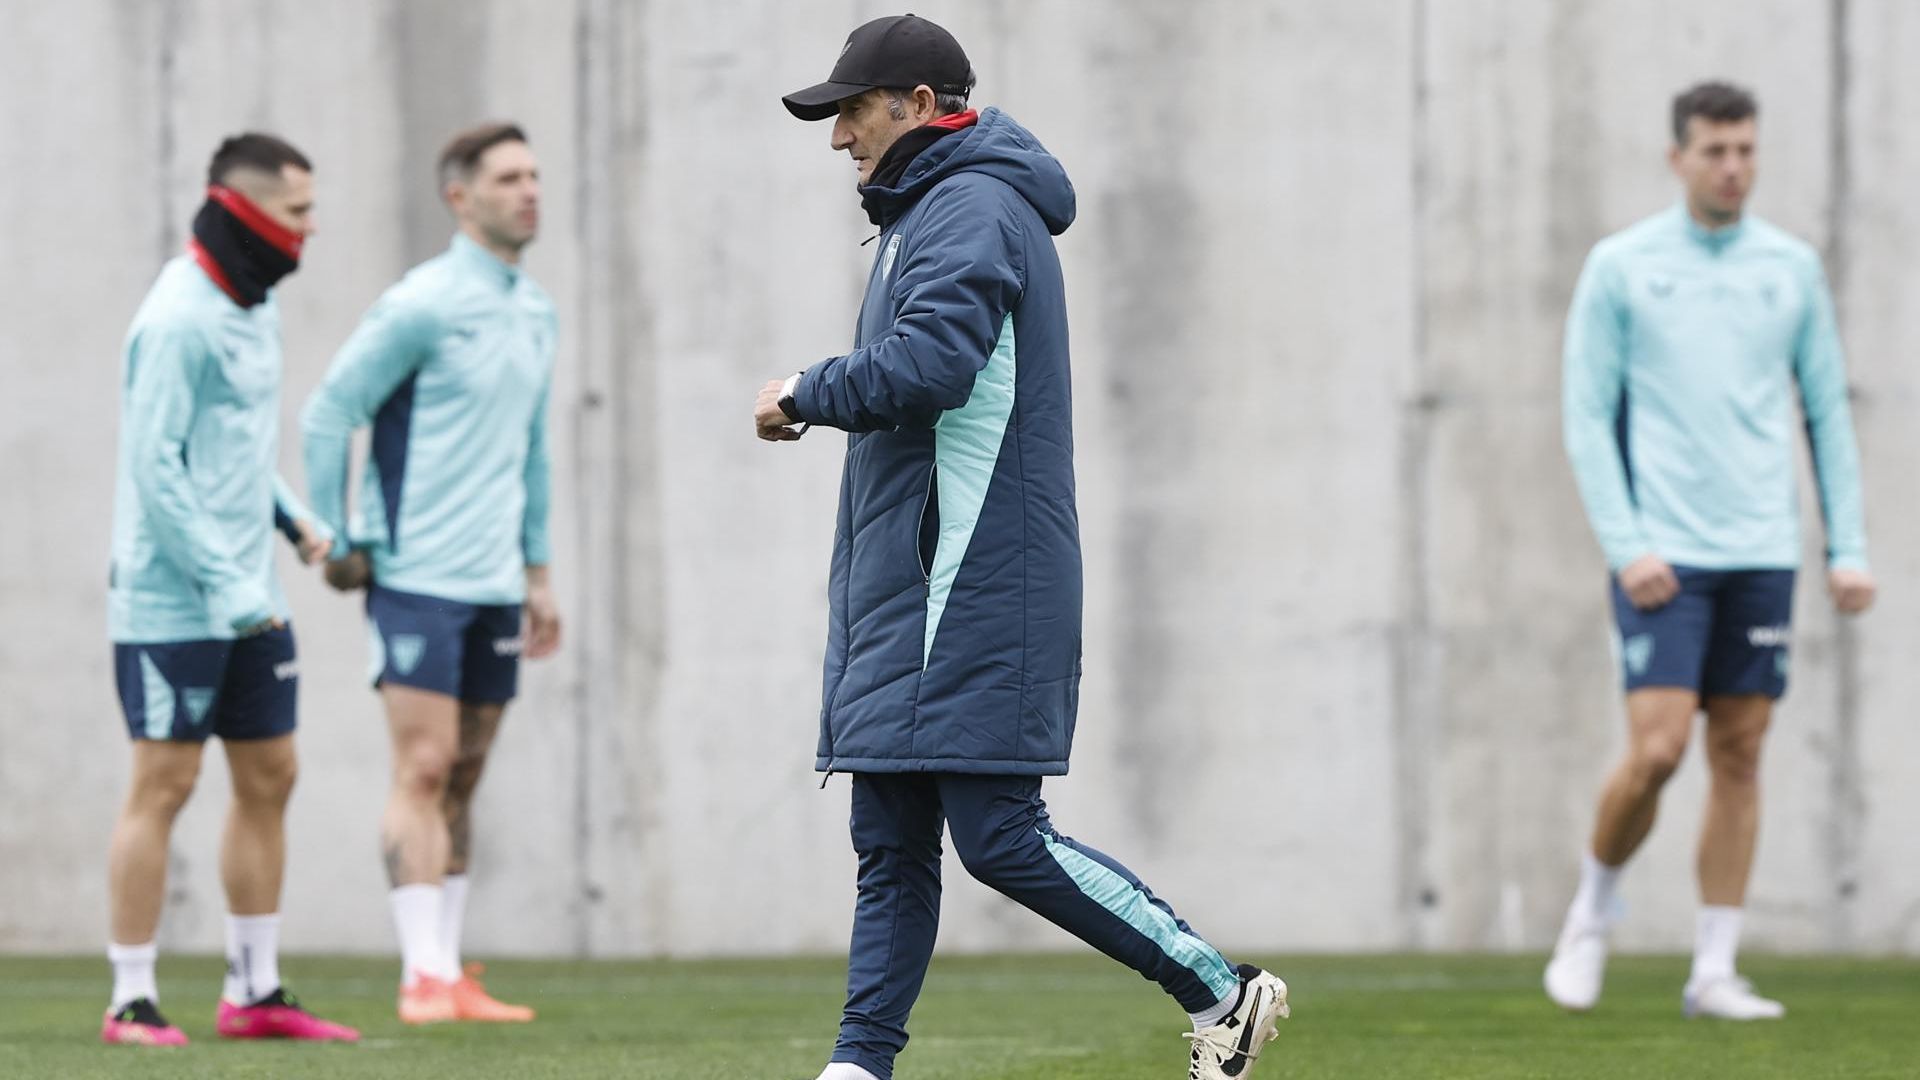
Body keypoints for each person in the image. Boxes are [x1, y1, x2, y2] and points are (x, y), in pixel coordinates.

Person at [757, 16, 1289, 1080]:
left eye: (851, 113)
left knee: (999, 837)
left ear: (915, 103)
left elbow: (929, 367)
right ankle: (858, 1068)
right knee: (892, 848)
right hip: (920, 583)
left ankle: (1220, 991)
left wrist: (803, 393)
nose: (836, 139)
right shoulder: (937, 208)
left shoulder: (970, 205)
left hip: (971, 584)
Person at [1550, 81, 1875, 1020]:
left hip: (1762, 553)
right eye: (1716, 151)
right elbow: (1584, 417)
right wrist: (1627, 545)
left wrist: (1845, 548)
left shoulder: (1791, 268)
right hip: (1664, 556)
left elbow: (1825, 413)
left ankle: (1714, 969)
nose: (1734, 167)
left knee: (1740, 753)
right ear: (1677, 157)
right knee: (1657, 751)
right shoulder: (1621, 266)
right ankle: (1592, 912)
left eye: (1746, 150)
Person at [300, 122, 560, 1025]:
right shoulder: (420, 303)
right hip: (414, 575)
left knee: (466, 772)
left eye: (534, 175)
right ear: (461, 197)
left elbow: (531, 451)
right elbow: (329, 413)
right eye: (507, 178)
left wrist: (538, 573)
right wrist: (337, 537)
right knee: (424, 763)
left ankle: (447, 969)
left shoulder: (535, 310)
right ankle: (420, 977)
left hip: (494, 580)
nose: (529, 190)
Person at [103, 132, 359, 1046]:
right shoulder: (176, 318)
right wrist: (225, 584)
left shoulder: (250, 306)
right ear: (246, 210)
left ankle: (253, 992)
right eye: (297, 212)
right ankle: (129, 1000)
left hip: (249, 593)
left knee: (271, 774)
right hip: (171, 600)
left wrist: (294, 521)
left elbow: (236, 455)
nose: (311, 227)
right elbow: (156, 470)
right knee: (163, 782)